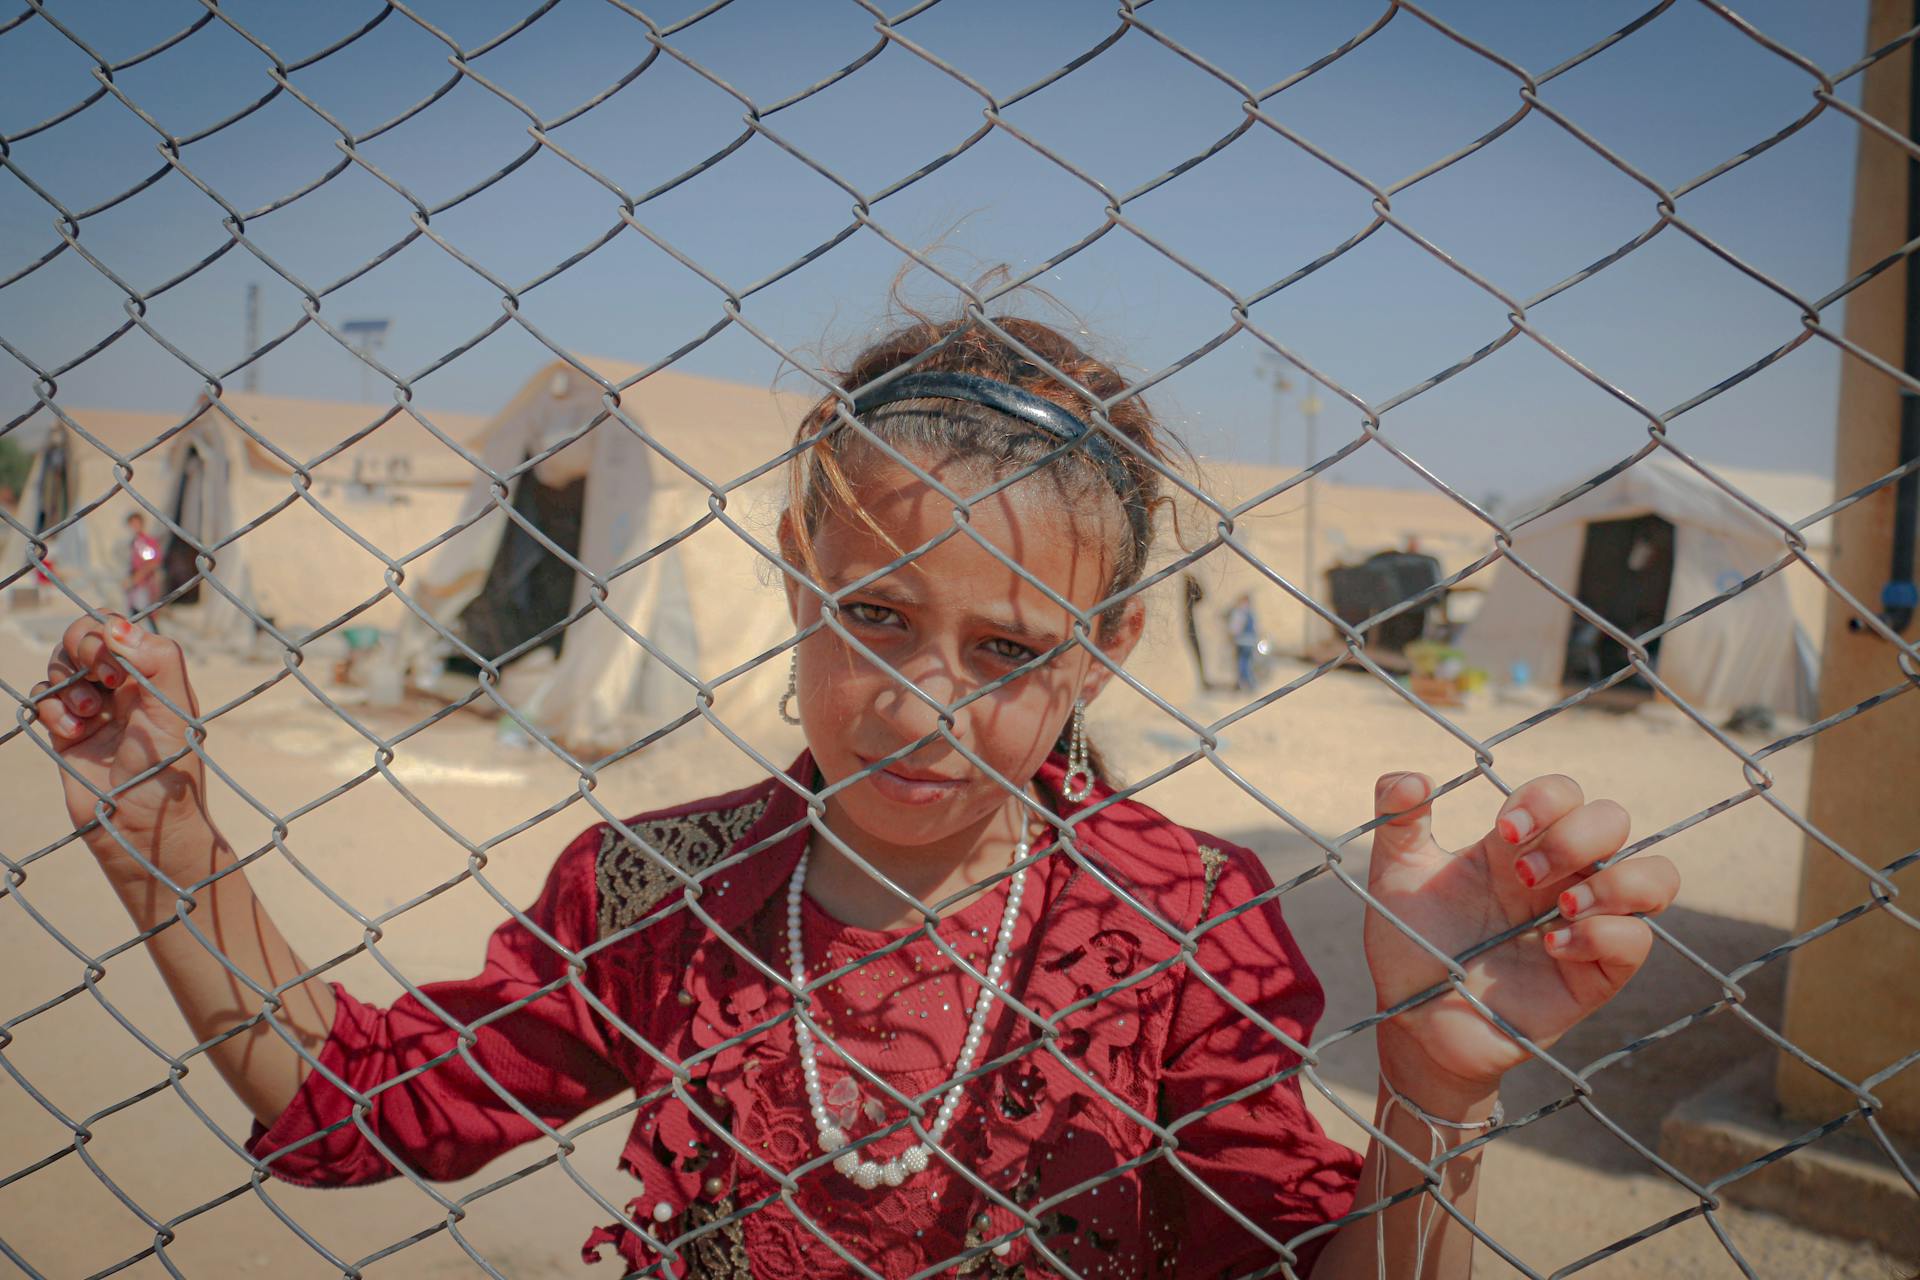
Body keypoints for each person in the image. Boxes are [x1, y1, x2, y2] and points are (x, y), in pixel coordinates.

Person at [32, 312, 1679, 1279]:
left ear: (1102, 649)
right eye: (872, 616)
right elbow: (367, 1108)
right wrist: (168, 845)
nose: (914, 704)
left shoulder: (1178, 923)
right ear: (798, 574)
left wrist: (1431, 1104)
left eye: (1008, 645)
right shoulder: (660, 892)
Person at [122, 511, 162, 631]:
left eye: (136, 523)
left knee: (146, 614)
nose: (134, 527)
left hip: (144, 584)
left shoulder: (146, 543)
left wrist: (135, 579)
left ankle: (156, 638)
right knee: (134, 613)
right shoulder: (135, 542)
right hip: (136, 585)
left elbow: (151, 563)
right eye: (131, 524)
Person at [1226, 591, 1259, 692]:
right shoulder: (1251, 613)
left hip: (1242, 641)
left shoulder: (1239, 613)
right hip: (1249, 641)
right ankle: (1247, 683)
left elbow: (1235, 628)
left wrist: (1231, 636)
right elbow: (1256, 628)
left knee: (1242, 663)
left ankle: (1245, 683)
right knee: (1247, 662)